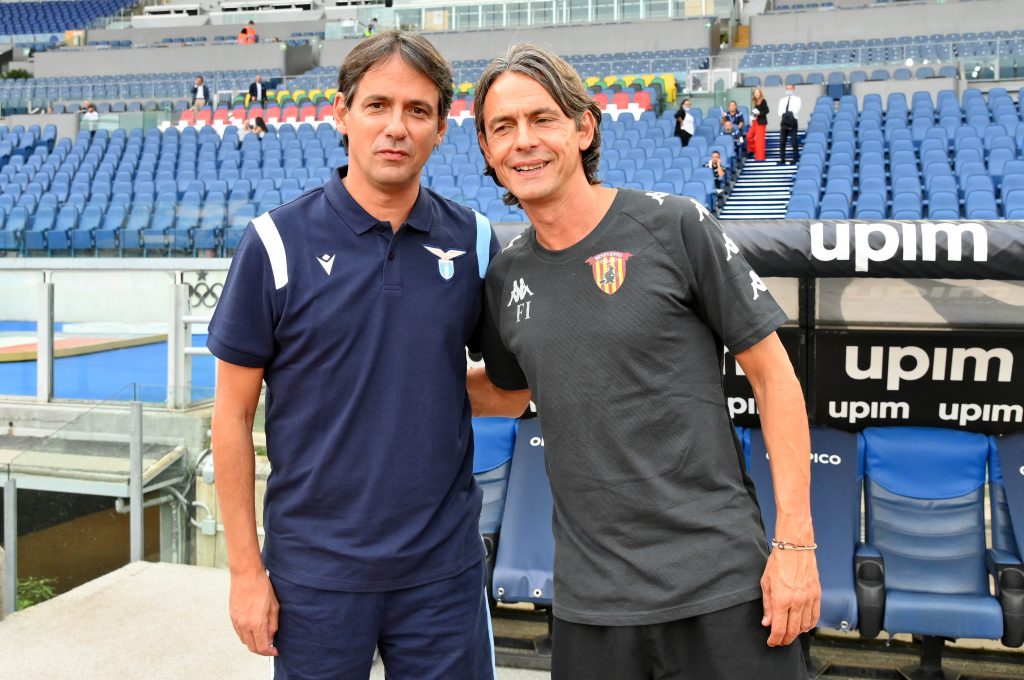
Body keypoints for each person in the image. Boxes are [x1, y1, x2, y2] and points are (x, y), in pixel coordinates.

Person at [468, 43, 818, 680]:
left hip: (721, 587)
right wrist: (396, 376)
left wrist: (795, 543)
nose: (524, 141)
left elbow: (774, 378)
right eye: (503, 127)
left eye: (542, 118)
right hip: (591, 605)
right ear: (488, 151)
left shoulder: (676, 226)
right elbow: (510, 393)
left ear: (583, 127)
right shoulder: (506, 276)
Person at [208, 30, 498, 680]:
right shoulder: (274, 244)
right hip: (315, 576)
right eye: (377, 105)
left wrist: (428, 384)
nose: (396, 127)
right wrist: (246, 571)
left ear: (441, 128)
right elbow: (231, 416)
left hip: (441, 575)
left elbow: (509, 389)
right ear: (342, 113)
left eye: (418, 110)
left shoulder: (474, 240)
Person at [778, 83, 802, 165]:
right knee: (782, 141)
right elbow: (780, 112)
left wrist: (788, 114)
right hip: (784, 121)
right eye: (787, 89)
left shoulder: (797, 99)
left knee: (794, 141)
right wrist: (786, 114)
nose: (789, 90)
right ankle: (782, 158)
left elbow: (796, 110)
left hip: (793, 121)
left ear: (793, 89)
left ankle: (795, 158)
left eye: (790, 88)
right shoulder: (782, 100)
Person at [747, 87, 769, 161]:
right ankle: (753, 150)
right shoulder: (755, 101)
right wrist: (752, 118)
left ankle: (760, 158)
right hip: (755, 122)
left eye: (758, 92)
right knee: (749, 136)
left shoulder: (763, 101)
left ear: (760, 93)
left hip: (761, 122)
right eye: (755, 93)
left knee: (760, 141)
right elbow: (755, 112)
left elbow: (767, 110)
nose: (756, 94)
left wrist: (759, 114)